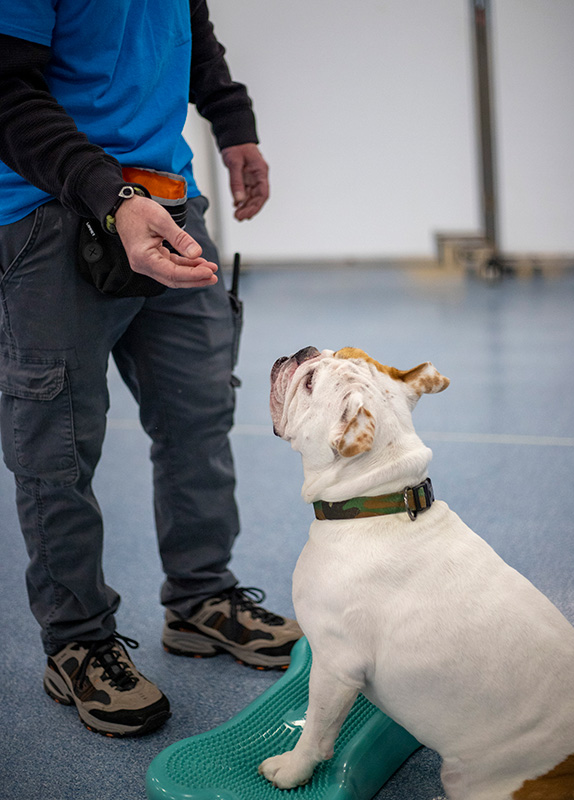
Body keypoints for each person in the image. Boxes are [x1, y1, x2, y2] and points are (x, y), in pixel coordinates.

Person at [0, 0, 301, 738]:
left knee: (199, 408)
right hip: (49, 214)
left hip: (169, 198)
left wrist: (236, 129)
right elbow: (6, 92)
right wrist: (111, 195)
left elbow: (192, 38)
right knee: (59, 447)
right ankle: (76, 641)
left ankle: (201, 600)